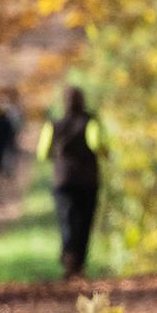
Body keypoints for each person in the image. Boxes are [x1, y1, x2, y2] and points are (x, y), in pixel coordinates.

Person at [36, 87, 105, 278]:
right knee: (84, 221)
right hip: (88, 180)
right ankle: (80, 264)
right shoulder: (90, 121)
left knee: (66, 220)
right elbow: (97, 144)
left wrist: (57, 157)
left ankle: (68, 258)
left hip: (62, 180)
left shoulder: (54, 123)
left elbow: (42, 153)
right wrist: (105, 154)